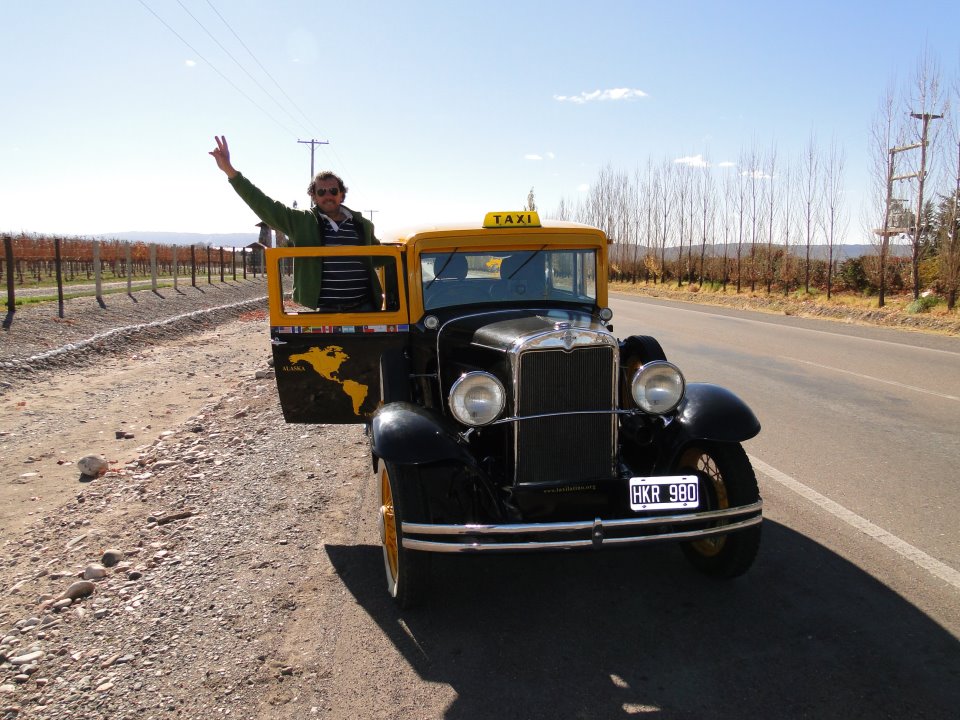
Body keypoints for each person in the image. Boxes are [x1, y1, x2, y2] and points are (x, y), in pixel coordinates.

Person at [209, 135, 382, 310]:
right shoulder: (302, 221)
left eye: (333, 190)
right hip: (325, 310)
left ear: (341, 194)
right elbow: (264, 205)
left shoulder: (362, 224)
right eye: (321, 192)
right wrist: (230, 170)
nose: (328, 195)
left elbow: (381, 257)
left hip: (363, 306)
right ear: (313, 196)